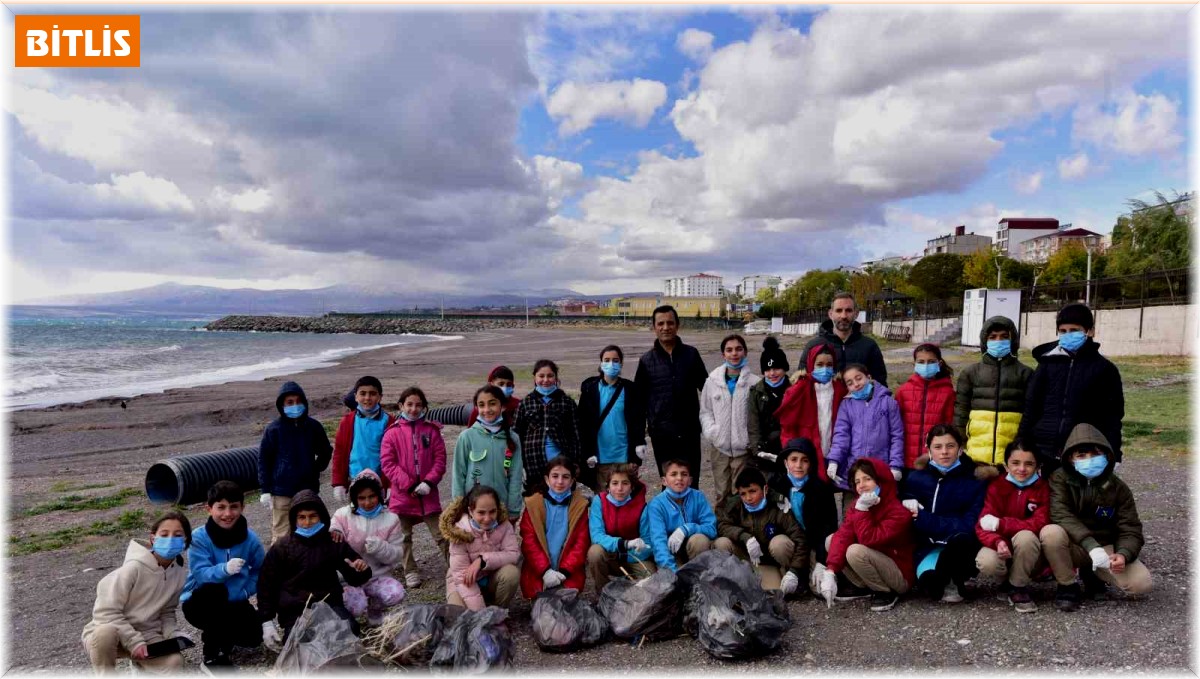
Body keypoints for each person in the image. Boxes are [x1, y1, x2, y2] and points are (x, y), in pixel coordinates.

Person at [1042, 423, 1151, 612]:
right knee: (1051, 533)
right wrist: (1090, 546)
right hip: (1073, 545)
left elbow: (1130, 528)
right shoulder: (1058, 479)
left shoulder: (1118, 488)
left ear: (1107, 456)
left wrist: (1123, 554)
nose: (1089, 460)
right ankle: (1067, 585)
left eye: (1095, 454)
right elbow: (1060, 514)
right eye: (1081, 455)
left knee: (1141, 584)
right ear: (1070, 458)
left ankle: (1092, 574)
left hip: (1105, 547)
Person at [82, 511, 192, 674]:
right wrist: (134, 642)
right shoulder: (132, 569)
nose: (170, 539)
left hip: (147, 635)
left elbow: (167, 612)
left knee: (175, 662)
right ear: (153, 538)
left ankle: (139, 665)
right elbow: (106, 612)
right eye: (164, 534)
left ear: (186, 541)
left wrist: (173, 634)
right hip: (115, 635)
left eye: (177, 535)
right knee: (105, 633)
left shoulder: (180, 573)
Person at [257, 490, 371, 645]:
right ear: (294, 519)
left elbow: (355, 578)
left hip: (329, 605)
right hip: (295, 610)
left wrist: (360, 569)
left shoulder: (333, 542)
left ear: (321, 517)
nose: (307, 522)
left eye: (312, 516)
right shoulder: (281, 548)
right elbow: (266, 584)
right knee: (299, 642)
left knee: (350, 630)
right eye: (301, 517)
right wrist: (267, 622)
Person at [1021, 303, 1125, 473]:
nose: (1067, 335)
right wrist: (1022, 442)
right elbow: (1031, 408)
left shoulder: (1105, 369)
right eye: (1063, 331)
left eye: (1074, 330)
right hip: (1044, 451)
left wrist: (1114, 453)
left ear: (1090, 331)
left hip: (1083, 452)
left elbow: (1112, 417)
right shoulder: (1046, 365)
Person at [900, 424, 995, 604]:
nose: (944, 452)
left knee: (961, 539)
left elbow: (969, 524)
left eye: (950, 446)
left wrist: (923, 518)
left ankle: (956, 579)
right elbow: (906, 519)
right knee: (930, 588)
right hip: (926, 546)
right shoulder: (915, 478)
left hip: (959, 545)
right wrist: (904, 501)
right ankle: (939, 576)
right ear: (929, 450)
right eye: (938, 447)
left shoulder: (975, 480)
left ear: (960, 449)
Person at [181, 481, 265, 670]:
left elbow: (261, 570)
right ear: (209, 509)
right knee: (215, 592)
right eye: (221, 507)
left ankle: (224, 636)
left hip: (234, 600)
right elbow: (202, 575)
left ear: (242, 508)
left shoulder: (250, 539)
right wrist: (224, 570)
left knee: (253, 638)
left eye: (234, 507)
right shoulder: (199, 538)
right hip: (200, 602)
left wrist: (244, 592)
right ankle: (213, 657)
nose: (227, 514)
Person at [818, 458, 915, 612]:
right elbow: (843, 536)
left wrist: (862, 511)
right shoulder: (858, 506)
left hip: (899, 575)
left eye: (867, 479)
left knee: (855, 551)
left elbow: (870, 540)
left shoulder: (898, 511)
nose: (861, 485)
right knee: (832, 540)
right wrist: (830, 571)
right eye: (857, 482)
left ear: (881, 481)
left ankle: (884, 591)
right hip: (874, 562)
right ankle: (862, 586)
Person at [379, 385, 449, 589]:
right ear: (401, 405)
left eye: (418, 405)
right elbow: (388, 463)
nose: (413, 409)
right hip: (402, 496)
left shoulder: (432, 430)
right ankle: (410, 570)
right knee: (404, 537)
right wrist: (408, 484)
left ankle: (455, 566)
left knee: (442, 534)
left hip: (428, 494)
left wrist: (428, 482)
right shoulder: (391, 434)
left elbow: (440, 459)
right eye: (409, 404)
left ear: (424, 407)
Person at [634, 305, 709, 487]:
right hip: (662, 435)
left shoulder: (691, 354)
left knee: (690, 482)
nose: (665, 327)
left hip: (689, 433)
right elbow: (638, 402)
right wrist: (638, 437)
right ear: (654, 327)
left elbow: (708, 389)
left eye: (670, 323)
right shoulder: (646, 361)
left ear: (677, 325)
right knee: (668, 483)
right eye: (661, 323)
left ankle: (690, 516)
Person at [974, 438, 1051, 614]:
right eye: (1015, 463)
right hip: (1002, 543)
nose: (1022, 469)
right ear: (1006, 465)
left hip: (1030, 550)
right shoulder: (996, 486)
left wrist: (1002, 524)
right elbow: (983, 524)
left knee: (1026, 536)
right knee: (987, 561)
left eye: (1029, 464)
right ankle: (1005, 582)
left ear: (1038, 466)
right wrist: (997, 541)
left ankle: (1018, 586)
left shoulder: (1042, 488)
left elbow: (1040, 523)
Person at [258, 381, 333, 544]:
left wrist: (314, 469)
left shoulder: (314, 427)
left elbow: (326, 451)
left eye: (298, 401)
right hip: (282, 491)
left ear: (305, 403)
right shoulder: (273, 429)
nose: (295, 405)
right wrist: (265, 489)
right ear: (282, 405)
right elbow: (264, 460)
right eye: (290, 402)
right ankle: (278, 567)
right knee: (281, 534)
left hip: (307, 489)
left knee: (310, 529)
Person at [330, 470, 406, 626]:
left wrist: (380, 548)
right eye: (361, 498)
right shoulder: (342, 516)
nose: (367, 502)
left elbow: (398, 554)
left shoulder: (391, 519)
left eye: (372, 496)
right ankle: (347, 623)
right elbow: (331, 539)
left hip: (377, 576)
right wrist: (335, 531)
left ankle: (375, 611)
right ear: (354, 498)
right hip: (348, 579)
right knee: (355, 605)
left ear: (380, 495)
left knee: (396, 592)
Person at [954, 316, 1033, 466]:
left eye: (1004, 336)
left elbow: (1031, 413)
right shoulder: (970, 372)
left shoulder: (1025, 373)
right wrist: (961, 444)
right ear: (985, 341)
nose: (998, 341)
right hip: (975, 456)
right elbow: (961, 411)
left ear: (1013, 340)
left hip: (1013, 458)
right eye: (993, 337)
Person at [714, 467, 807, 595]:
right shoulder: (734, 506)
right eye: (743, 493)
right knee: (721, 543)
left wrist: (795, 571)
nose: (748, 498)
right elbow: (722, 525)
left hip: (770, 561)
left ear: (765, 489)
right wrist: (745, 537)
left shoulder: (778, 506)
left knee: (780, 544)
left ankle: (788, 576)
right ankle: (729, 582)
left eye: (752, 491)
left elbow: (799, 538)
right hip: (745, 560)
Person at [826, 363, 904, 503]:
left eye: (859, 378)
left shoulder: (888, 402)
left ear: (868, 377)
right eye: (850, 383)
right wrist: (834, 460)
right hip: (855, 473)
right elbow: (841, 436)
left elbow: (896, 437)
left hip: (881, 470)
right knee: (852, 514)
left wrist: (895, 465)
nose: (856, 384)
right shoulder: (846, 406)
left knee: (881, 512)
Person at [519, 456, 592, 599]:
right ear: (547, 479)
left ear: (572, 481)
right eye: (555, 476)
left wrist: (564, 572)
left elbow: (581, 543)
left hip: (567, 572)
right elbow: (529, 542)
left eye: (565, 477)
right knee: (542, 605)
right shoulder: (534, 504)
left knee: (565, 604)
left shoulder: (579, 506)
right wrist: (545, 571)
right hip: (540, 571)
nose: (560, 481)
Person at [440, 485, 522, 611]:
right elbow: (462, 579)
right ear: (471, 511)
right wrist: (482, 617)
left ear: (498, 509)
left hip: (491, 578)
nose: (487, 518)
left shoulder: (504, 525)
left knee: (511, 573)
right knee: (458, 618)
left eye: (492, 511)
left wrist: (482, 560)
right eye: (481, 512)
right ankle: (485, 612)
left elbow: (513, 554)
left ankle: (497, 610)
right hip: (462, 583)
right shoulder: (459, 532)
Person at [700, 334, 761, 502]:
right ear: (723, 355)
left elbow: (759, 417)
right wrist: (712, 433)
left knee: (742, 494)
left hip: (744, 451)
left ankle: (741, 527)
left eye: (738, 349)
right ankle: (721, 526)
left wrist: (750, 440)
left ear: (745, 352)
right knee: (722, 494)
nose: (734, 353)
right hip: (720, 449)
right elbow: (705, 411)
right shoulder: (712, 381)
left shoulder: (755, 383)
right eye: (729, 350)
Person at [767, 438, 838, 583]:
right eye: (793, 460)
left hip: (813, 545)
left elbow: (828, 527)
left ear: (811, 464)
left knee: (819, 587)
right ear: (786, 462)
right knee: (778, 544)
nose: (798, 465)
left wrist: (821, 561)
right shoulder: (775, 484)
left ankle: (809, 572)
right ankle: (792, 571)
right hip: (791, 544)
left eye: (804, 460)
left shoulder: (821, 489)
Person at [774, 342, 846, 481]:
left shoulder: (840, 390)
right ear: (811, 364)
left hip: (835, 455)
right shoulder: (797, 391)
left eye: (829, 365)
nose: (825, 369)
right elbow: (788, 429)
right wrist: (792, 457)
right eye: (819, 364)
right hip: (806, 457)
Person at [578, 345, 647, 491]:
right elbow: (583, 424)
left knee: (626, 501)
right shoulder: (590, 389)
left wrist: (636, 458)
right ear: (601, 363)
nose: (611, 364)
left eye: (615, 360)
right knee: (604, 503)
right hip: (600, 459)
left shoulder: (630, 389)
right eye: (607, 360)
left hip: (624, 458)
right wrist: (587, 453)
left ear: (621, 363)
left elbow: (637, 422)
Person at [451, 385, 525, 519]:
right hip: (474, 510)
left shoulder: (513, 438)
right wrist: (458, 508)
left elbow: (515, 476)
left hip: (501, 510)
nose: (487, 409)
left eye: (492, 404)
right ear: (476, 408)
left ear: (502, 406)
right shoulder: (466, 437)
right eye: (481, 405)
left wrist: (513, 509)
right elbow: (458, 475)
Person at [515, 359, 582, 494]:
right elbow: (516, 435)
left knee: (562, 502)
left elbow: (575, 435)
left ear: (556, 378)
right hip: (533, 466)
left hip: (561, 466)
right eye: (541, 376)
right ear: (535, 377)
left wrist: (575, 462)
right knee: (536, 506)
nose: (545, 380)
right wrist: (517, 464)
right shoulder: (525, 403)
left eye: (550, 376)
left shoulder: (566, 402)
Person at [586, 464, 656, 593]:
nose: (619, 488)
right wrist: (624, 544)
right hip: (610, 556)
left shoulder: (642, 507)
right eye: (615, 483)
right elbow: (596, 535)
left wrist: (642, 548)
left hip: (635, 558)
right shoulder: (599, 501)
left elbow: (648, 542)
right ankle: (603, 593)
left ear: (632, 486)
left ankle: (640, 600)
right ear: (608, 486)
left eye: (625, 483)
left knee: (651, 578)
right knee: (595, 552)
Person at [644, 458, 718, 571]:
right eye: (673, 474)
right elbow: (658, 540)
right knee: (678, 578)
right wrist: (671, 571)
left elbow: (712, 529)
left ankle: (702, 575)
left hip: (697, 549)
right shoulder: (656, 504)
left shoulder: (698, 497)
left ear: (690, 480)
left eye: (684, 474)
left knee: (700, 540)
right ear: (664, 480)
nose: (679, 478)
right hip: (673, 552)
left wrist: (687, 528)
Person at [331, 376, 395, 507]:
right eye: (363, 393)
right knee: (356, 523)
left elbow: (394, 456)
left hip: (379, 483)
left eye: (372, 393)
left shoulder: (389, 422)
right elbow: (340, 453)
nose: (367, 398)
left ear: (380, 397)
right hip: (354, 481)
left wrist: (390, 485)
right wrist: (339, 483)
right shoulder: (347, 421)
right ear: (355, 396)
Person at [802, 292, 887, 387]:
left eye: (848, 310)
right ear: (831, 314)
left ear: (856, 313)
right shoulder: (814, 346)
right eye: (838, 310)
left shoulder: (869, 346)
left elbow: (880, 384)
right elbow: (801, 382)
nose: (843, 316)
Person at [895, 343, 955, 469]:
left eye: (931, 361)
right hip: (906, 460)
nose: (926, 365)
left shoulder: (948, 392)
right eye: (921, 362)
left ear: (939, 363)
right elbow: (896, 426)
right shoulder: (903, 391)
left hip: (935, 460)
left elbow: (950, 426)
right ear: (914, 365)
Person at [747, 336, 791, 473]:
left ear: (784, 368)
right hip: (765, 450)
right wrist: (758, 450)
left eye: (777, 368)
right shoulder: (756, 392)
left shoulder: (794, 389)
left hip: (789, 449)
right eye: (767, 370)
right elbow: (753, 424)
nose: (772, 373)